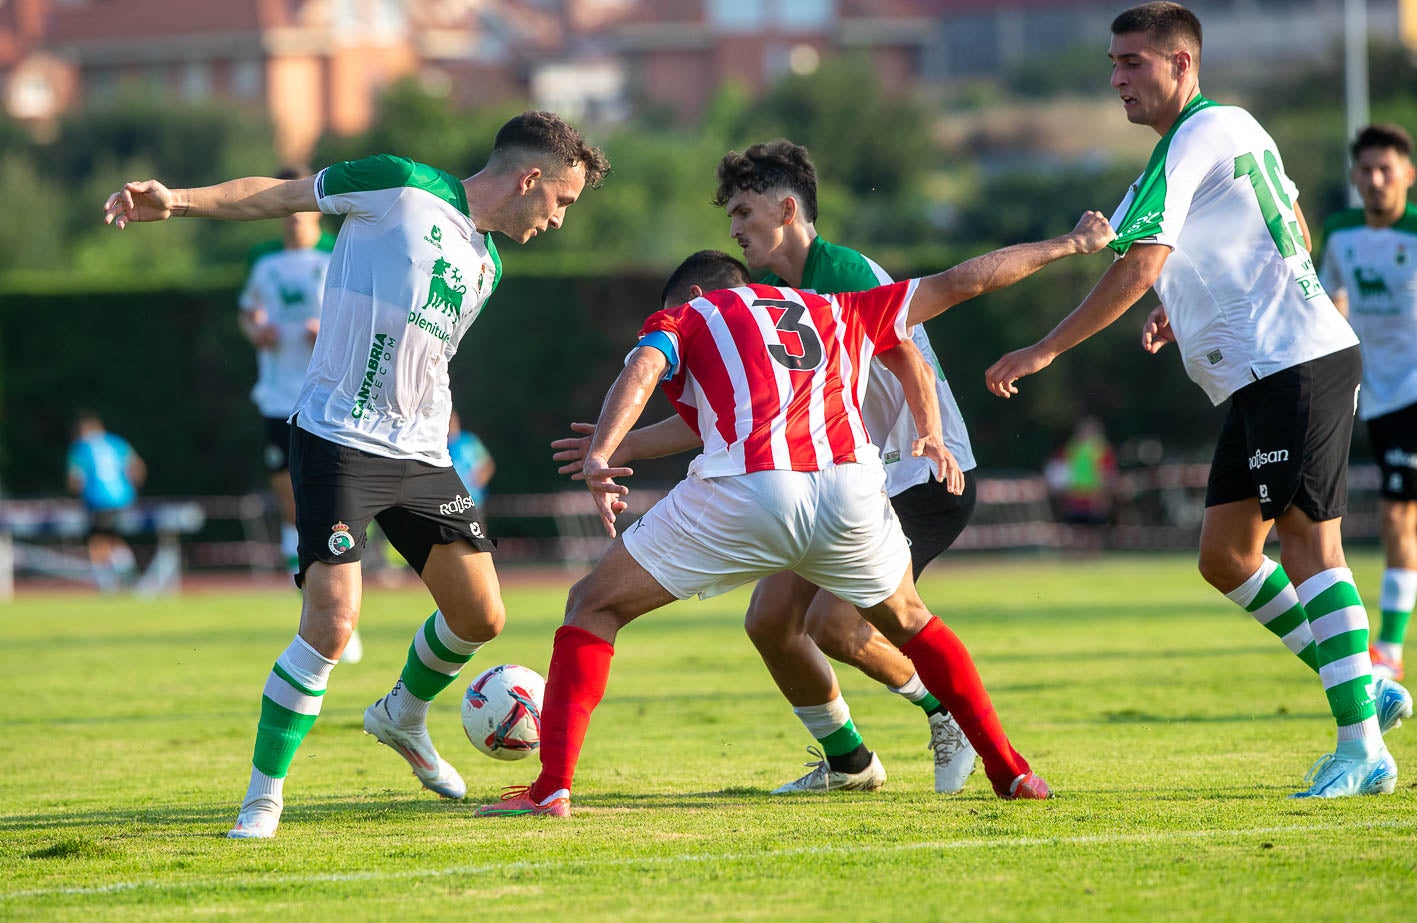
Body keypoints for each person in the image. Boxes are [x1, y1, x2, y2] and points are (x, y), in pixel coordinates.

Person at [476, 213, 1116, 819]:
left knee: (593, 603)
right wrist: (1068, 246)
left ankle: (551, 789)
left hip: (753, 491)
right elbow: (957, 288)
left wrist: (601, 454)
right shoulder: (832, 306)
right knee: (913, 622)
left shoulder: (693, 311)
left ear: (696, 292)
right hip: (851, 493)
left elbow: (645, 365)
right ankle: (1011, 771)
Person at [103, 110, 609, 838]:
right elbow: (278, 195)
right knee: (332, 624)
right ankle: (261, 799)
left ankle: (401, 713)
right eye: (561, 201)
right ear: (530, 178)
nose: (559, 219)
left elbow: (429, 359)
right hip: (337, 440)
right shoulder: (397, 183)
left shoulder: (489, 264)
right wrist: (177, 200)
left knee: (481, 617)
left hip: (423, 454)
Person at [983, 3, 1412, 798]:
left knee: (1308, 541)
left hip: (1296, 364)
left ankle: (1362, 748)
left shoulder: (1189, 141)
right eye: (1111, 63)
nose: (1116, 78)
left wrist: (1043, 346)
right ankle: (1359, 682)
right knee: (1225, 556)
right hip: (1261, 374)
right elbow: (1292, 231)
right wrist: (1183, 303)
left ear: (1181, 65)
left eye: (1132, 62)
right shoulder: (1229, 131)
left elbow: (1137, 261)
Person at [552, 140, 983, 795]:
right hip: (844, 478)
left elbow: (906, 358)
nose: (732, 228)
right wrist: (620, 448)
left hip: (915, 473)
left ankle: (947, 714)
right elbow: (719, 423)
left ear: (786, 209)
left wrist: (928, 436)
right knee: (769, 624)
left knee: (833, 625)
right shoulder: (773, 299)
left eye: (742, 212)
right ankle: (850, 763)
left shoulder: (838, 271)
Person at [236, 167, 366, 661]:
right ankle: (322, 607)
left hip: (328, 397)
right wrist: (256, 331)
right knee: (293, 508)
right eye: (282, 209)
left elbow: (364, 312)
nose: (292, 218)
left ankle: (341, 617)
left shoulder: (339, 250)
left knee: (329, 505)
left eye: (298, 207)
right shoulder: (262, 260)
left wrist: (328, 328)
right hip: (275, 397)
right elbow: (247, 312)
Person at [1318, 124, 1417, 684]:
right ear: (1354, 177)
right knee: (1398, 516)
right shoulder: (1340, 232)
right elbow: (1330, 302)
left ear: (1408, 174)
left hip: (1414, 390)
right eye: (1367, 171)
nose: (1376, 180)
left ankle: (1390, 649)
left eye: (1387, 169)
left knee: (1397, 512)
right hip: (1372, 393)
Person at [67, 412, 146, 594]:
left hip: (97, 500)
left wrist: (78, 497)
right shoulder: (117, 442)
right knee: (114, 538)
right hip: (123, 498)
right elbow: (138, 467)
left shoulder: (81, 447)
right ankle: (127, 572)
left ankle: (108, 584)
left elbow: (75, 479)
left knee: (98, 541)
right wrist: (131, 490)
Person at [448, 410, 496, 507]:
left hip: (473, 500)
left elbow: (488, 464)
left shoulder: (469, 440)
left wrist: (481, 478)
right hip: (449, 503)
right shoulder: (439, 446)